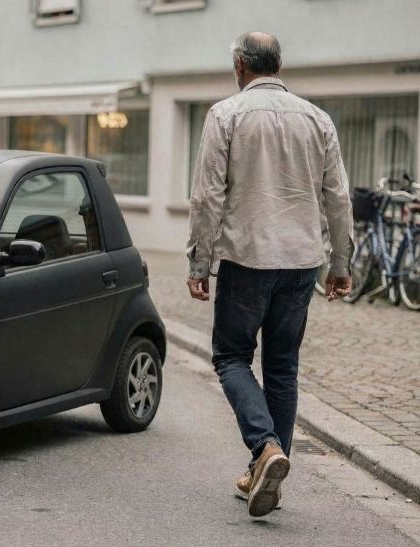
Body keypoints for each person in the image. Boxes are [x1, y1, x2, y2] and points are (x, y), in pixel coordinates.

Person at [185, 31, 354, 517]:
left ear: (241, 65)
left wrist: (199, 262)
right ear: (277, 65)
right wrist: (339, 263)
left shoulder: (225, 115)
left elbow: (208, 195)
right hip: (301, 262)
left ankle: (265, 449)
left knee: (232, 356)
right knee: (282, 368)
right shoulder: (317, 118)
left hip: (247, 257)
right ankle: (268, 474)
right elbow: (337, 196)